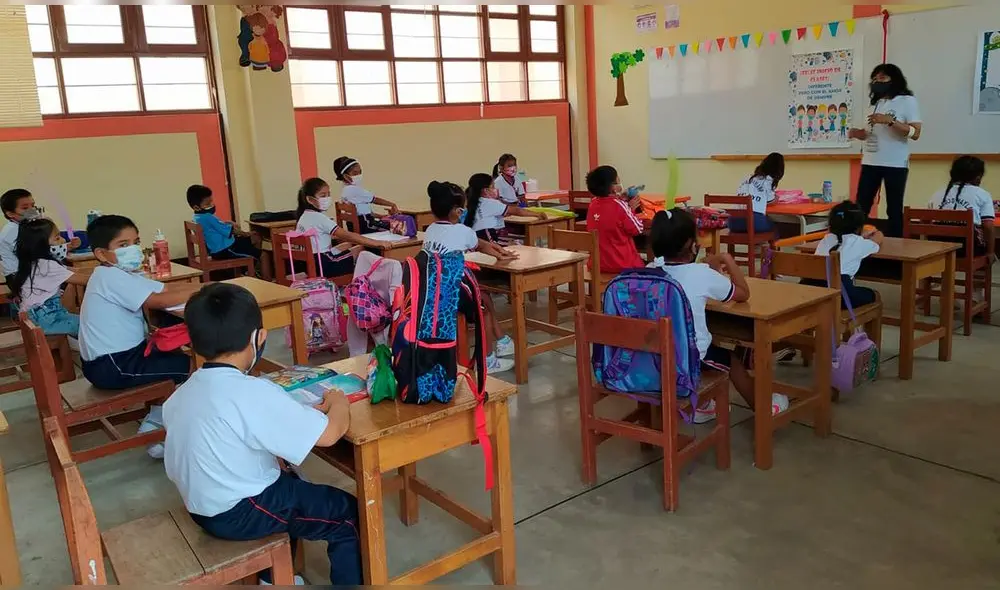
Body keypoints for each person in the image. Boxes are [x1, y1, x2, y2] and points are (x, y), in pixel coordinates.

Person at [163, 283, 360, 586]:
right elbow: (331, 434)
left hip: (201, 506)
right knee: (346, 513)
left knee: (290, 481)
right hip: (238, 510)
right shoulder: (250, 391)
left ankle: (274, 579)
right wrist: (338, 401)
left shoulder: (181, 393)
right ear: (259, 338)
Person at [648, 208, 789, 421]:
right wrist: (727, 259)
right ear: (691, 244)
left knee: (709, 338)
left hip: (651, 358)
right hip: (688, 361)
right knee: (728, 359)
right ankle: (763, 408)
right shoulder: (701, 274)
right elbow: (742, 293)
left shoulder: (649, 269)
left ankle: (703, 404)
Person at [78, 215, 201, 458]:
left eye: (136, 242)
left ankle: (162, 416)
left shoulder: (120, 274)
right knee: (191, 366)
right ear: (102, 254)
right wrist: (205, 289)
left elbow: (164, 289)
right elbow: (158, 300)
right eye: (123, 245)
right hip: (114, 366)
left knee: (173, 353)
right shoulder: (109, 277)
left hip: (117, 359)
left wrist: (205, 287)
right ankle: (156, 430)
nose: (133, 249)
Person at [423, 180, 517, 373]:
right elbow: (481, 245)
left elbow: (478, 242)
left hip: (430, 293)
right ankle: (487, 360)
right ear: (457, 211)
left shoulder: (430, 230)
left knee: (483, 295)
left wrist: (494, 249)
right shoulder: (463, 231)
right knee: (484, 310)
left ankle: (502, 341)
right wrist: (501, 254)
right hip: (451, 297)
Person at [849, 63, 923, 238]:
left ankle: (895, 249)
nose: (877, 81)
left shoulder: (907, 101)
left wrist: (890, 121)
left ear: (894, 80)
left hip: (895, 163)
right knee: (862, 205)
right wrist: (857, 133)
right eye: (874, 79)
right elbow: (869, 133)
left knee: (894, 208)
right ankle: (854, 243)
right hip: (870, 161)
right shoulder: (874, 104)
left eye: (882, 78)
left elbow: (915, 133)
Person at [294, 177, 390, 278]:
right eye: (323, 195)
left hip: (310, 263)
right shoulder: (319, 218)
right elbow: (347, 235)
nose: (327, 198)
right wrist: (378, 243)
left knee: (348, 245)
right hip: (324, 265)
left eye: (328, 194)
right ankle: (367, 281)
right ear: (309, 199)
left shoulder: (304, 216)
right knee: (362, 249)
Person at [10, 217, 89, 336]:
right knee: (91, 326)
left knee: (82, 322)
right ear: (40, 245)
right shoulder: (47, 266)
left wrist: (101, 269)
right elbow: (85, 280)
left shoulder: (35, 262)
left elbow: (76, 271)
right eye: (57, 238)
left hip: (34, 317)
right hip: (46, 320)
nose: (63, 241)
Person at [813, 201, 883, 308]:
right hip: (841, 294)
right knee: (874, 295)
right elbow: (877, 239)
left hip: (813, 290)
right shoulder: (858, 242)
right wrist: (876, 232)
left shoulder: (825, 240)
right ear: (859, 227)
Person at [927, 155, 994, 259]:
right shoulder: (983, 194)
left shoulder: (937, 194)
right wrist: (990, 252)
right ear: (978, 177)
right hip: (968, 250)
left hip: (938, 249)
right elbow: (988, 226)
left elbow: (926, 223)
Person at [585, 165, 644, 273]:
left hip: (597, 265)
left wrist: (623, 203)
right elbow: (638, 229)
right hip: (621, 265)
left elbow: (610, 210)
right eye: (618, 181)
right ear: (613, 187)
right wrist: (631, 210)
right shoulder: (620, 205)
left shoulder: (593, 204)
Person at [187, 184, 261, 263]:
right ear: (196, 207)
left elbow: (215, 227)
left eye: (211, 201)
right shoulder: (208, 217)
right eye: (208, 204)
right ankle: (254, 268)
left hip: (215, 249)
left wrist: (227, 224)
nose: (212, 205)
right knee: (261, 250)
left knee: (254, 239)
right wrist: (247, 233)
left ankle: (252, 266)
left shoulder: (197, 217)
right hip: (226, 249)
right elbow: (232, 231)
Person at [464, 172, 543, 242]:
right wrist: (537, 214)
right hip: (488, 238)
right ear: (485, 190)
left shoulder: (471, 202)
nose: (495, 189)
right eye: (493, 187)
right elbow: (517, 211)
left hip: (476, 239)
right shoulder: (490, 203)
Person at [332, 156, 399, 234]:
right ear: (346, 176)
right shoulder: (353, 190)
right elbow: (375, 200)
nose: (359, 175)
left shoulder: (346, 190)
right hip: (366, 226)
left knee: (390, 224)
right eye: (355, 173)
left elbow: (366, 212)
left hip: (360, 225)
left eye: (360, 172)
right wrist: (392, 204)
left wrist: (382, 216)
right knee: (397, 226)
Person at [731, 152, 783, 234]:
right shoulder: (768, 180)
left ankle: (759, 245)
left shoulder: (747, 177)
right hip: (753, 222)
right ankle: (767, 246)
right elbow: (771, 201)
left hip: (733, 222)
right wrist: (776, 198)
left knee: (761, 221)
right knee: (777, 227)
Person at [1, 188, 40, 283]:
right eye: (25, 208)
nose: (32, 210)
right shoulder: (11, 231)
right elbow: (33, 252)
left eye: (33, 205)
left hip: (30, 272)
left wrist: (67, 246)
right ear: (10, 213)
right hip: (19, 276)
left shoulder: (24, 226)